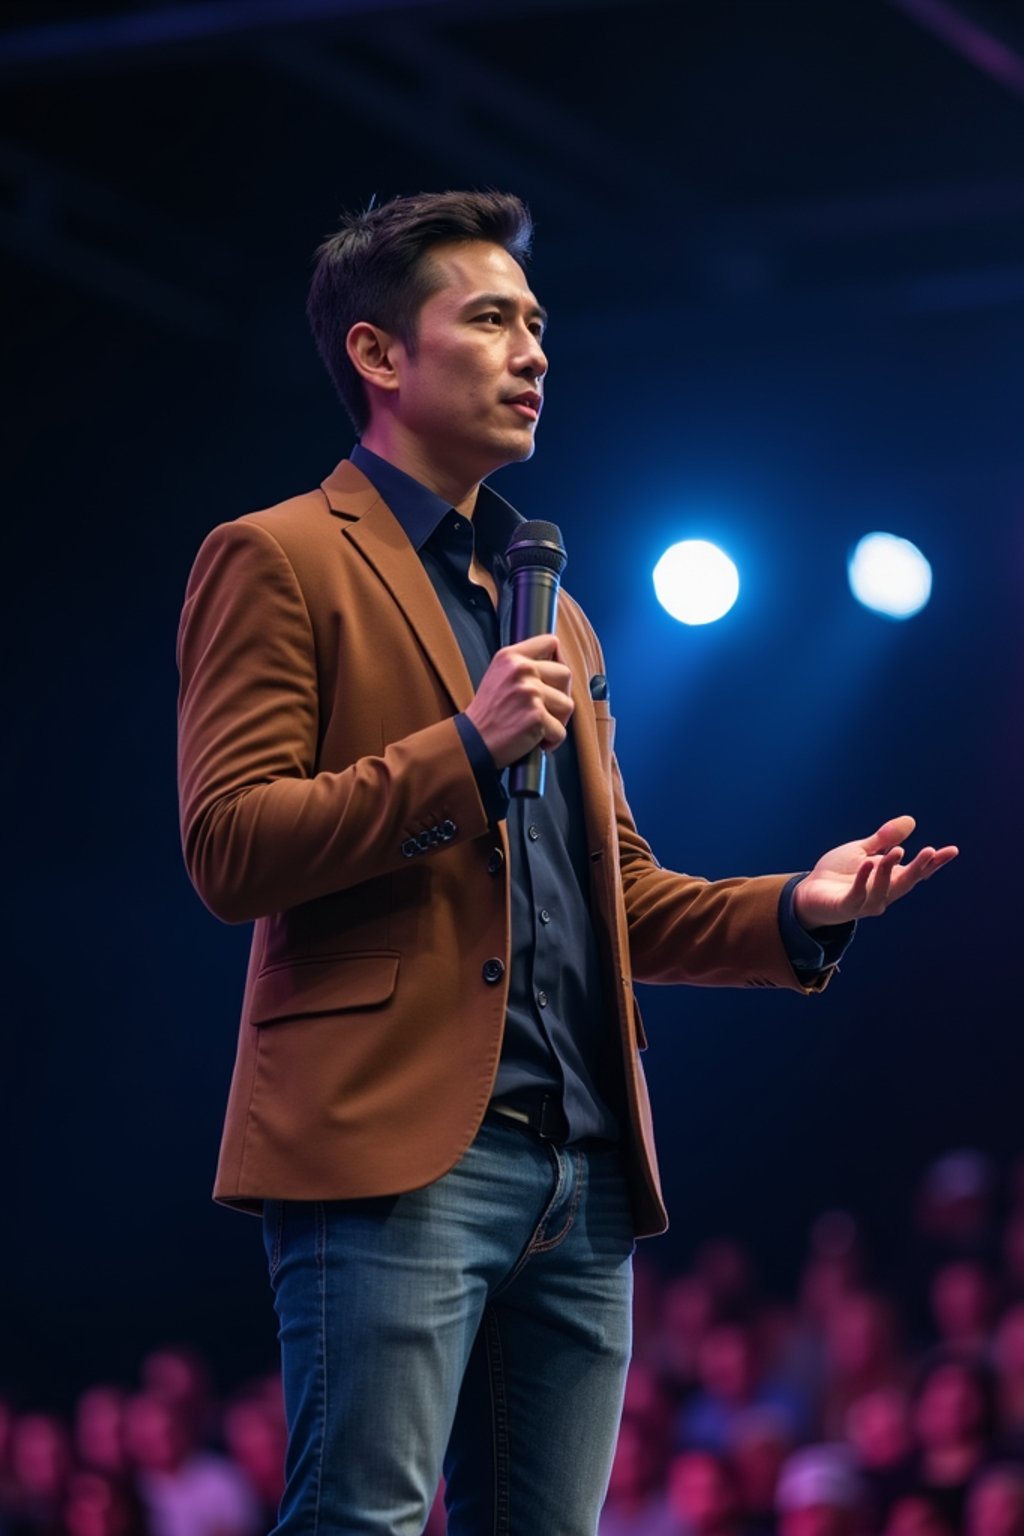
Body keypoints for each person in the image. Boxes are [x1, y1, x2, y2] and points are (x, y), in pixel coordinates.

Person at [176, 189, 958, 1536]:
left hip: (580, 1165)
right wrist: (462, 752)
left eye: (538, 324)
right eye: (489, 321)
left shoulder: (558, 614)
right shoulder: (279, 557)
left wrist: (797, 908)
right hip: (391, 1154)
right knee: (359, 1518)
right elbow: (231, 846)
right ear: (378, 356)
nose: (534, 352)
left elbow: (621, 895)